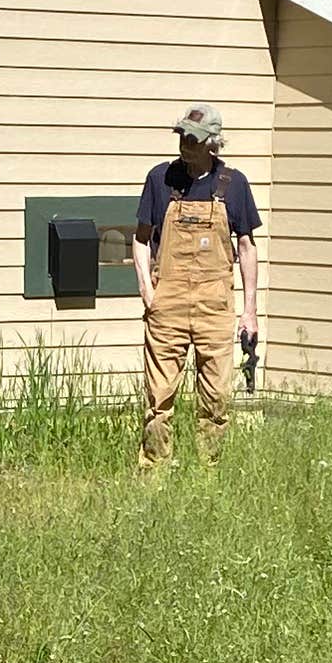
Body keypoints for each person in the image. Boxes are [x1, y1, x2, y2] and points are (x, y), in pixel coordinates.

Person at [133, 102, 262, 466]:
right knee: (158, 400)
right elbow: (141, 239)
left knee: (217, 398)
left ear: (212, 144)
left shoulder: (234, 185)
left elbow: (247, 246)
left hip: (215, 306)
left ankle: (210, 476)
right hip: (167, 304)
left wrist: (249, 313)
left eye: (193, 139)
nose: (184, 144)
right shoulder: (160, 179)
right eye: (181, 136)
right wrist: (148, 293)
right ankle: (153, 478)